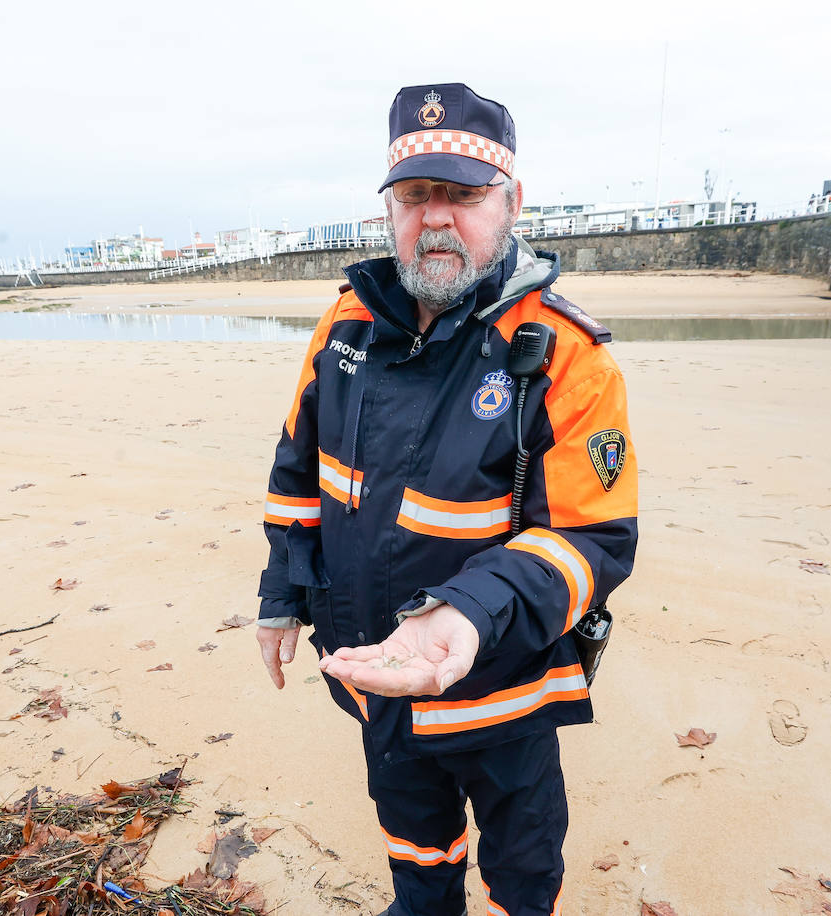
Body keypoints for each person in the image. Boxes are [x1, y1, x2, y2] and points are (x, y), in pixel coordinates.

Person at [255, 82, 638, 916]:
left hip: (505, 690)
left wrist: (466, 613)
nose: (436, 218)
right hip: (376, 680)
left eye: (463, 197)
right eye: (416, 195)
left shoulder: (570, 359)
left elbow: (595, 540)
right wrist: (282, 595)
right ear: (389, 207)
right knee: (415, 854)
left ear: (511, 203)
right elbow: (297, 474)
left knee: (523, 874)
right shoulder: (342, 330)